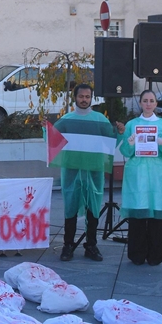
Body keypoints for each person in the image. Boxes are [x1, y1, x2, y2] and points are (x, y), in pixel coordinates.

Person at [51, 84, 116, 262]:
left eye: (87, 96)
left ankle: (91, 245)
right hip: (72, 171)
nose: (84, 99)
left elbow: (111, 140)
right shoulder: (66, 120)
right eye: (81, 96)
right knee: (70, 207)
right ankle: (68, 245)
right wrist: (45, 129)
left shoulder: (100, 120)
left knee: (93, 207)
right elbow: (53, 138)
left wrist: (120, 132)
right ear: (75, 97)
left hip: (94, 170)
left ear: (91, 98)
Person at [116, 89, 162, 266]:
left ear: (156, 104)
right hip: (137, 175)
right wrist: (130, 143)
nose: (148, 104)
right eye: (145, 101)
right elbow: (125, 151)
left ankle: (156, 255)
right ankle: (137, 254)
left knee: (156, 217)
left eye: (151, 100)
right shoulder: (133, 124)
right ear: (140, 103)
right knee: (138, 216)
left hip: (157, 175)